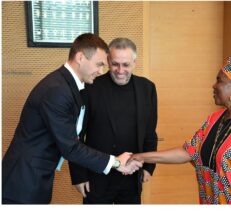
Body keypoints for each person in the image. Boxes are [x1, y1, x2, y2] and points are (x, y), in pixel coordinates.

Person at [130, 56, 231, 204]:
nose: (213, 85)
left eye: (219, 80)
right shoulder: (214, 119)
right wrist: (141, 157)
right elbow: (188, 152)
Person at [2, 33, 142, 204]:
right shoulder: (58, 90)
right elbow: (71, 147)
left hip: (35, 174)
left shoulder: (66, 84)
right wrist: (116, 162)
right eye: (99, 64)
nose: (101, 71)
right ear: (81, 57)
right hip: (23, 180)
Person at [69, 37, 158, 204]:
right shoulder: (90, 86)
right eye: (115, 64)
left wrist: (149, 166)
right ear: (108, 60)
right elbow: (77, 135)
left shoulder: (147, 88)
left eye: (126, 65)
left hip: (132, 176)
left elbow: (150, 132)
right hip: (97, 177)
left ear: (134, 62)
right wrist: (78, 175)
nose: (120, 70)